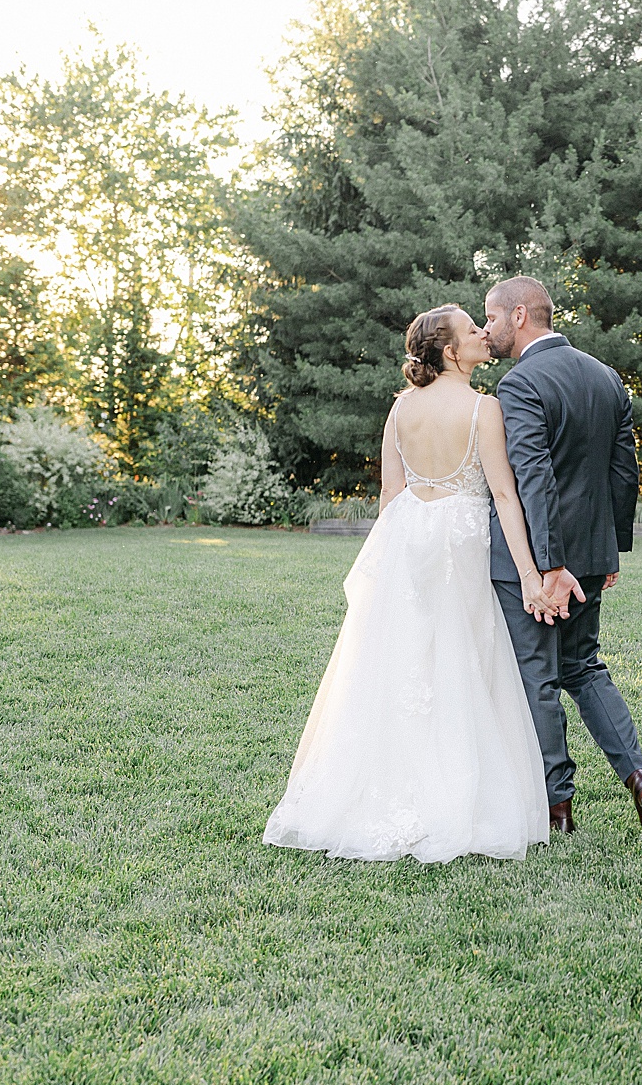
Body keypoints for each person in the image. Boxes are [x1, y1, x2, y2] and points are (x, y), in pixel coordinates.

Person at [262, 305, 556, 863]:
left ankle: (385, 787)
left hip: (410, 539)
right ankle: (456, 797)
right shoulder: (483, 409)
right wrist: (528, 574)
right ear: (450, 352)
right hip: (462, 542)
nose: (482, 336)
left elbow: (391, 495)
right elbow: (502, 496)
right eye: (473, 330)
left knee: (405, 662)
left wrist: (386, 560)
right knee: (462, 658)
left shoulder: (400, 411)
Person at [482, 275, 642, 833]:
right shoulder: (606, 377)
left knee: (538, 676)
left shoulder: (520, 384)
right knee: (584, 667)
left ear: (520, 315)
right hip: (591, 555)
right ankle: (640, 778)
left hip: (543, 563)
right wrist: (609, 549)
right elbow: (624, 471)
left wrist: (547, 566)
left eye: (491, 318)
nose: (487, 329)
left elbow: (534, 478)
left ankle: (558, 807)